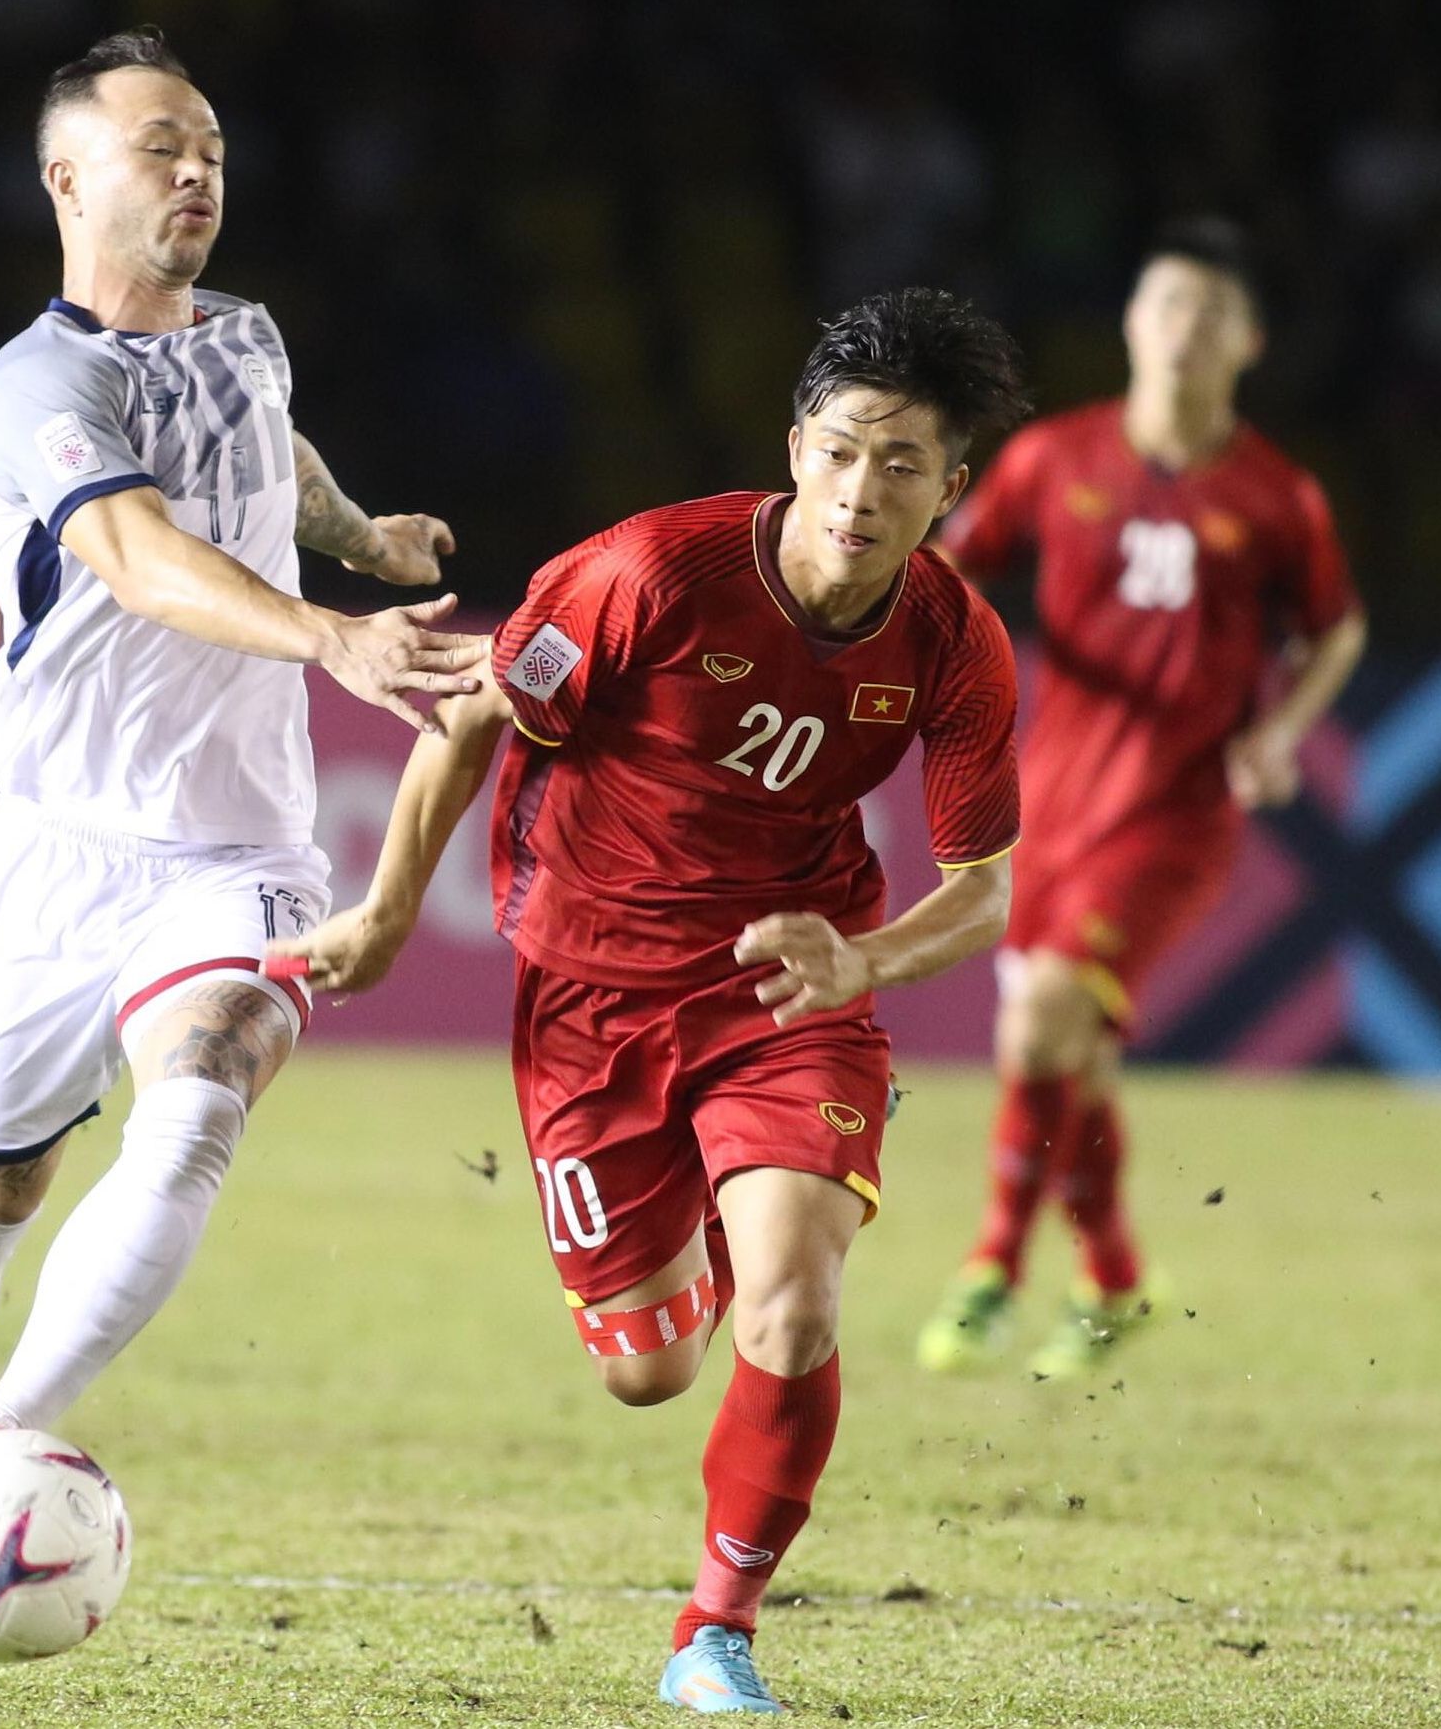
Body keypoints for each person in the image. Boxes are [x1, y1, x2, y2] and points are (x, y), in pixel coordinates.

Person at [267, 289, 1031, 1715]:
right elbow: (474, 716)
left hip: (787, 986)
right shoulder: (646, 575)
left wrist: (864, 962)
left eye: (903, 464)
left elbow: (983, 891)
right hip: (591, 991)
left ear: (950, 486)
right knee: (650, 1373)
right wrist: (382, 912)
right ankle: (729, 1226)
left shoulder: (951, 641)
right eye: (842, 452)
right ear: (796, 449)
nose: (862, 493)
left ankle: (713, 1633)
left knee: (792, 1310)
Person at [0, 26, 476, 1652]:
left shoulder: (243, 336)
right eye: (160, 146)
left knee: (201, 1098)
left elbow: (264, 452)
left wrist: (355, 536)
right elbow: (131, 550)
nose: (197, 173)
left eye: (213, 151)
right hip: (58, 845)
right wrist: (330, 635)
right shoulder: (37, 385)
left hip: (233, 847)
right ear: (66, 178)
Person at [912, 219, 1366, 1380]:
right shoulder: (1052, 458)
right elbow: (955, 565)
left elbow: (1335, 628)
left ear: (1248, 343)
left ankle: (988, 1273)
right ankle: (1114, 1280)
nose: (1183, 329)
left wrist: (1279, 732)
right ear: (1128, 322)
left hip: (1173, 817)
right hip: (1048, 802)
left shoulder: (1274, 496)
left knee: (1038, 1021)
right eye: (1166, 303)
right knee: (1072, 1061)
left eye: (1211, 313)